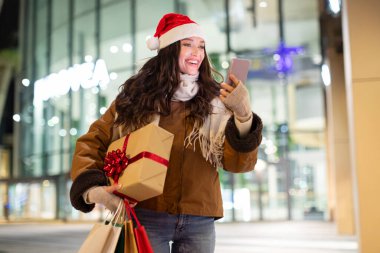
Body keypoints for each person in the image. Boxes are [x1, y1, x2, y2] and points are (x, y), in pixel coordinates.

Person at [70, 12, 263, 253]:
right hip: (146, 214)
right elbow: (92, 142)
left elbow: (238, 165)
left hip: (200, 216)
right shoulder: (135, 98)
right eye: (187, 44)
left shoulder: (216, 102)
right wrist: (92, 189)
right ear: (170, 49)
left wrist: (243, 116)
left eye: (201, 46)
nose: (197, 52)